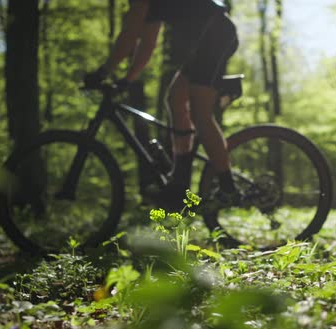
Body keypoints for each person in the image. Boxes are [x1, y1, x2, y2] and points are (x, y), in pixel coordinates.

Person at [85, 0, 239, 212]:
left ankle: (228, 188)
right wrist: (128, 79)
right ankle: (180, 182)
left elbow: (129, 37)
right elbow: (148, 44)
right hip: (209, 39)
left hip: (216, 36)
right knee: (175, 98)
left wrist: (102, 73)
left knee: (199, 113)